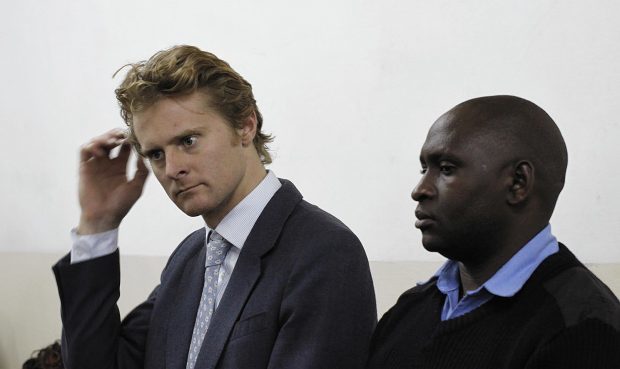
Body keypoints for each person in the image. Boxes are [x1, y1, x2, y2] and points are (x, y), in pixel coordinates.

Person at [53, 45, 376, 369]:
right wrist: (97, 224)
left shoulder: (325, 252)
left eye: (188, 141)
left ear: (246, 125)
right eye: (156, 154)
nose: (171, 168)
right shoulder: (189, 259)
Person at [366, 95, 620, 369]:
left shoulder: (583, 327)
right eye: (424, 168)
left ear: (518, 183)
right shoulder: (408, 311)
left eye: (447, 169)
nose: (420, 189)